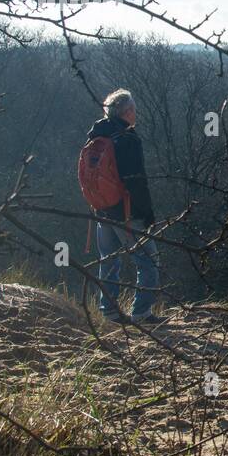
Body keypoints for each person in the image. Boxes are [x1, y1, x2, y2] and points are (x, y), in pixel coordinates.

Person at [86, 88, 162, 324]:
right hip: (126, 212)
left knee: (108, 261)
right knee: (148, 261)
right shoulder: (127, 138)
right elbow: (136, 181)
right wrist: (147, 214)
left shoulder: (96, 135)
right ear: (127, 111)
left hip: (101, 210)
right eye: (134, 109)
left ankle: (108, 313)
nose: (136, 114)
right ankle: (141, 313)